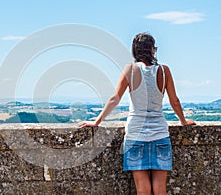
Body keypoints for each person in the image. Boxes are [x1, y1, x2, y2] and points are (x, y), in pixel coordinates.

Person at [79, 33, 195, 195]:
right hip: (160, 133)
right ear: (153, 50)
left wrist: (97, 122)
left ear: (135, 51)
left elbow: (115, 99)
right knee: (160, 188)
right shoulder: (164, 71)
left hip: (135, 135)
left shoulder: (131, 70)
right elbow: (174, 101)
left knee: (142, 189)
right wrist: (183, 121)